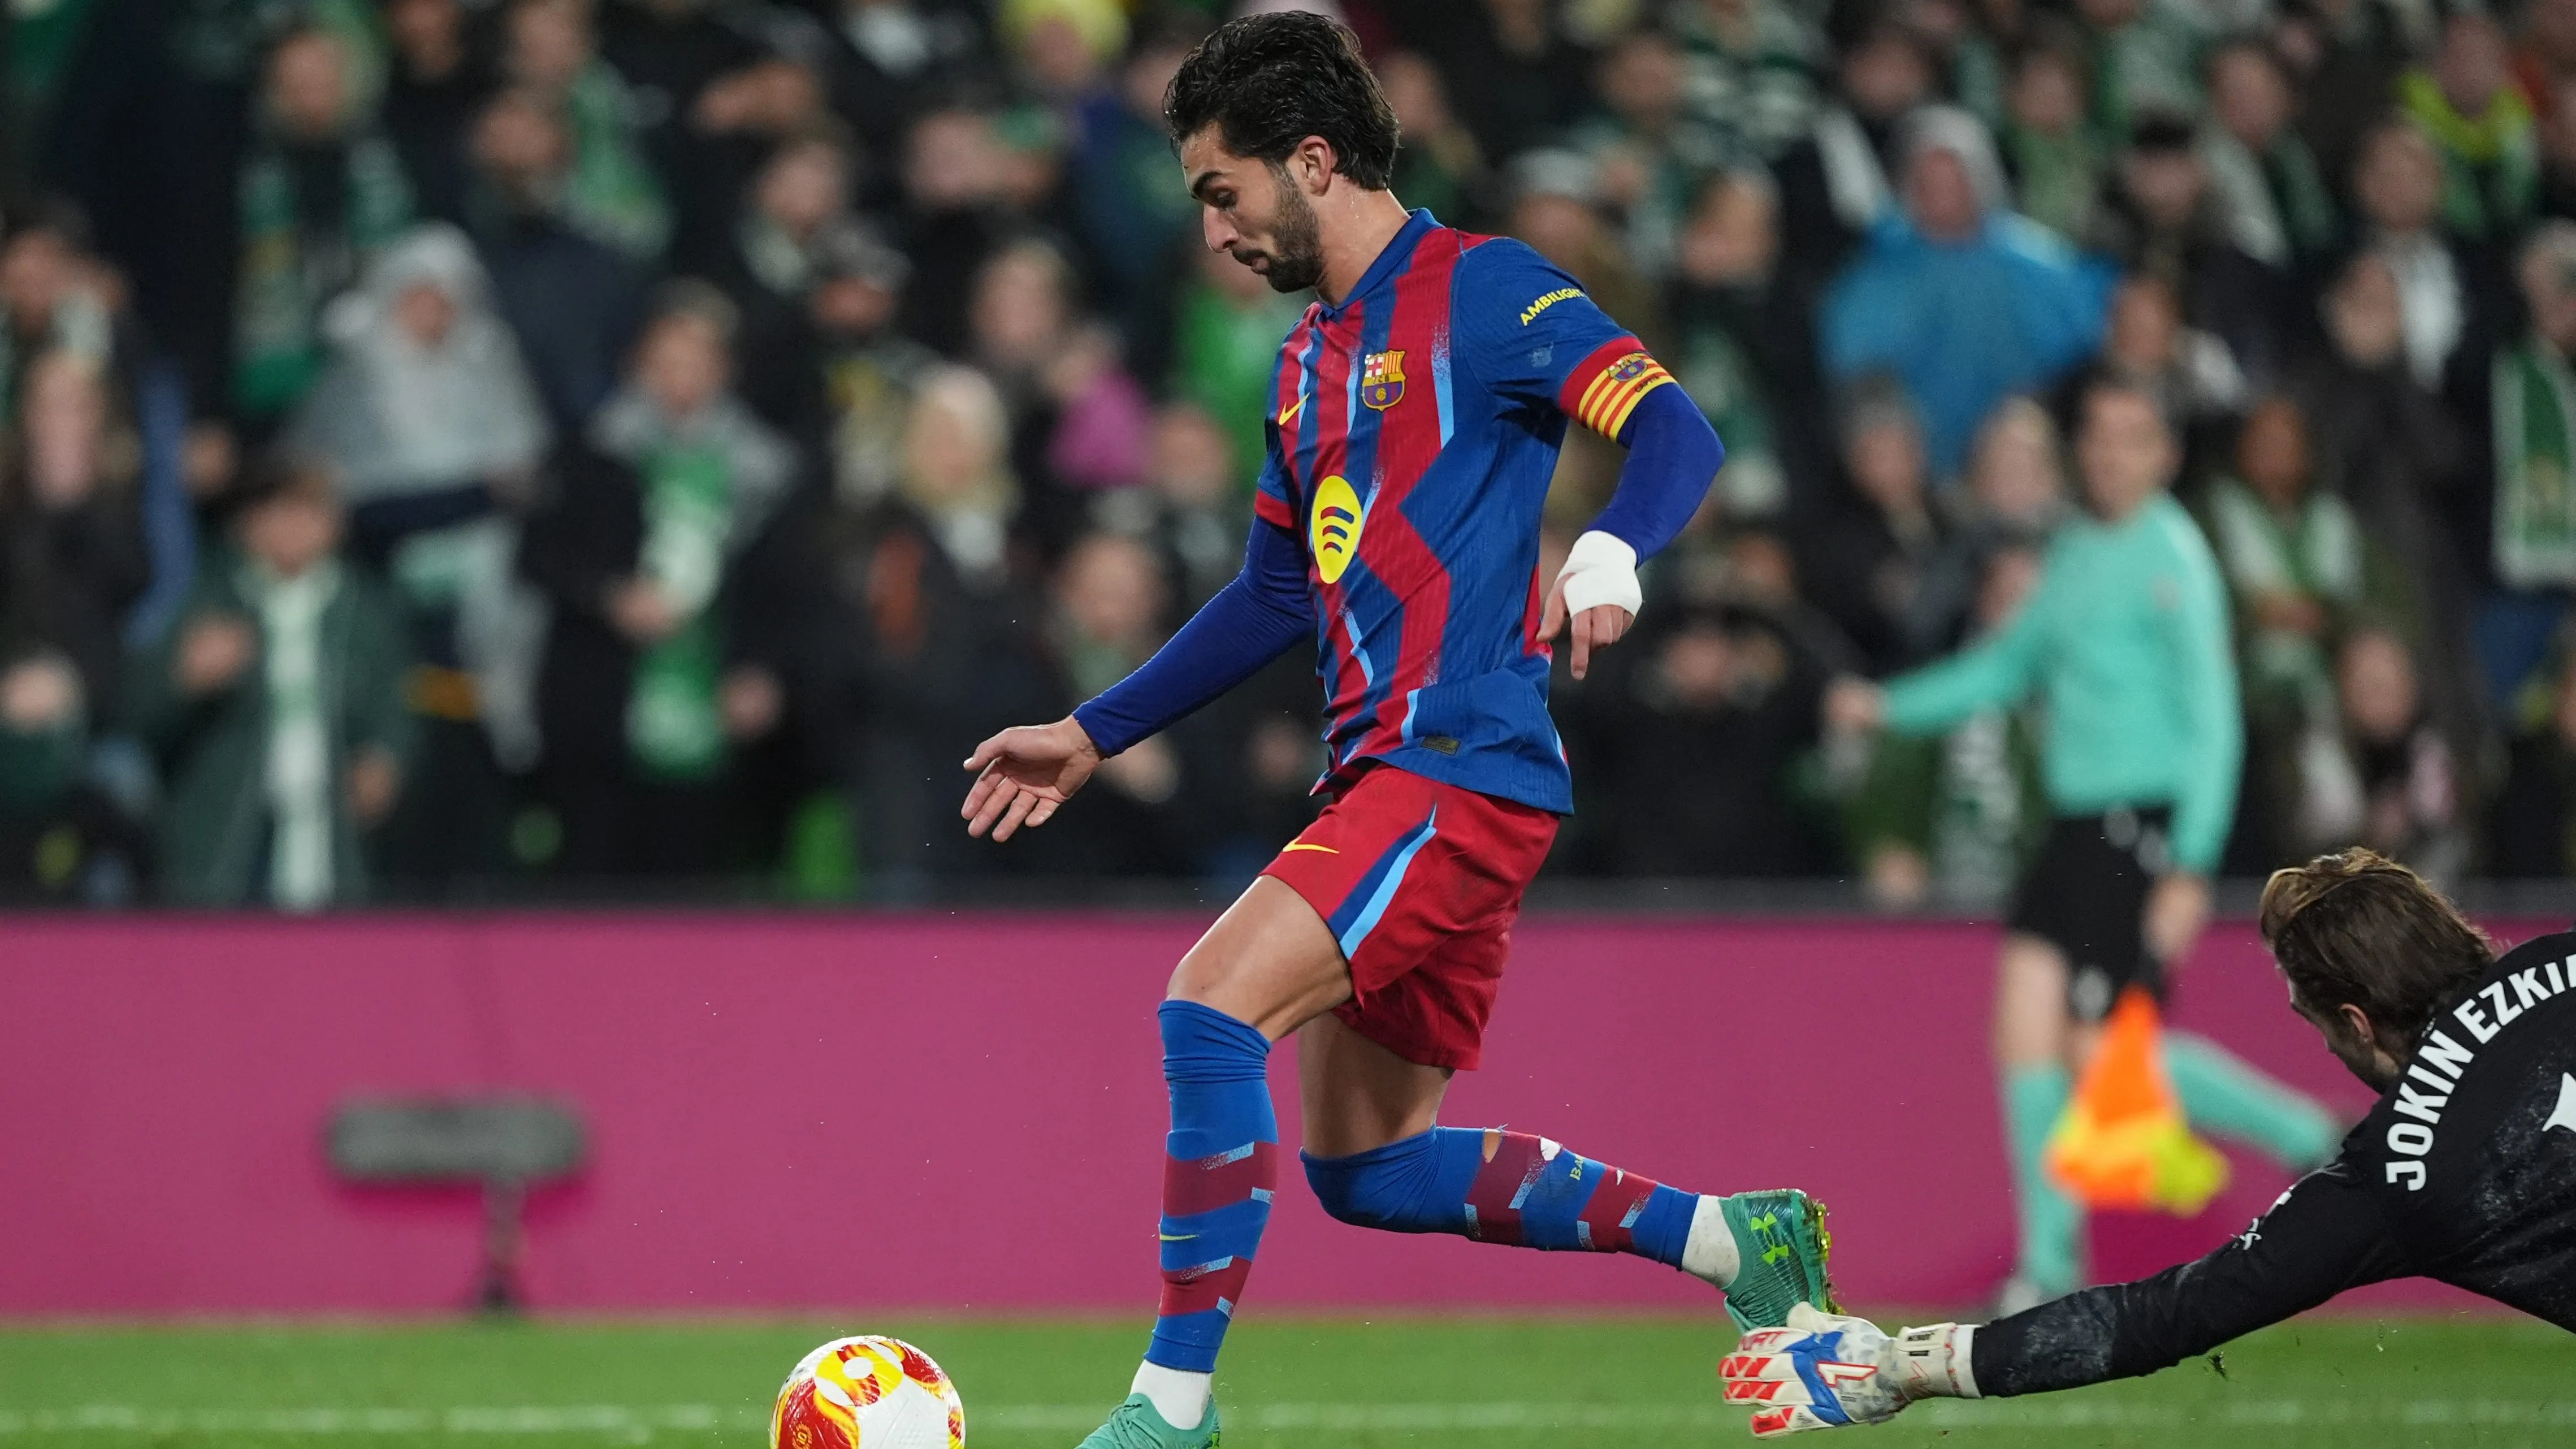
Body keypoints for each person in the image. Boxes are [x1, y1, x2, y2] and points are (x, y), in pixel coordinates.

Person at [954, 16, 1831, 1449]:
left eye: (1222, 191)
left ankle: (1170, 1411)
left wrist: (1615, 547)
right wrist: (1093, 730)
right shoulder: (1303, 370)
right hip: (1390, 776)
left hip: (1459, 763)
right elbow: (1271, 598)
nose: (1216, 230)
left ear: (1312, 160)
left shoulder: (1484, 291)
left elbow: (1675, 428)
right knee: (1366, 1171)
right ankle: (1735, 1242)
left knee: (1205, 1006)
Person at [1721, 849, 2576, 1436]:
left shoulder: (2399, 1166)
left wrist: (1906, 1365)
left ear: (2355, 1020)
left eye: (2316, 1026)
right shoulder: (2562, 959)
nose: (2325, 1047)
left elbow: (2162, 1316)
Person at [1826, 379, 2340, 1312]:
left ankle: (2304, 1128)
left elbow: (2214, 718)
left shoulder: (2174, 554)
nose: (2110, 455)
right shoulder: (2071, 553)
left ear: (2164, 455)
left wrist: (2192, 857)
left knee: (2105, 1061)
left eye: (2132, 439)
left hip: (2138, 826)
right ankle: (2048, 1267)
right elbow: (2004, 664)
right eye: (2099, 438)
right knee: (2023, 1037)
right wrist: (1888, 705)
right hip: (2070, 831)